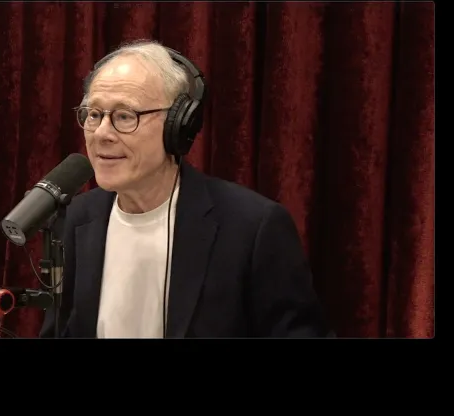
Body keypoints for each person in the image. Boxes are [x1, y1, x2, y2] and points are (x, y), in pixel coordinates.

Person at [39, 39, 332, 338]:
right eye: (93, 114)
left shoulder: (252, 228)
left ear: (178, 125)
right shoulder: (75, 219)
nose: (101, 133)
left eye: (124, 116)